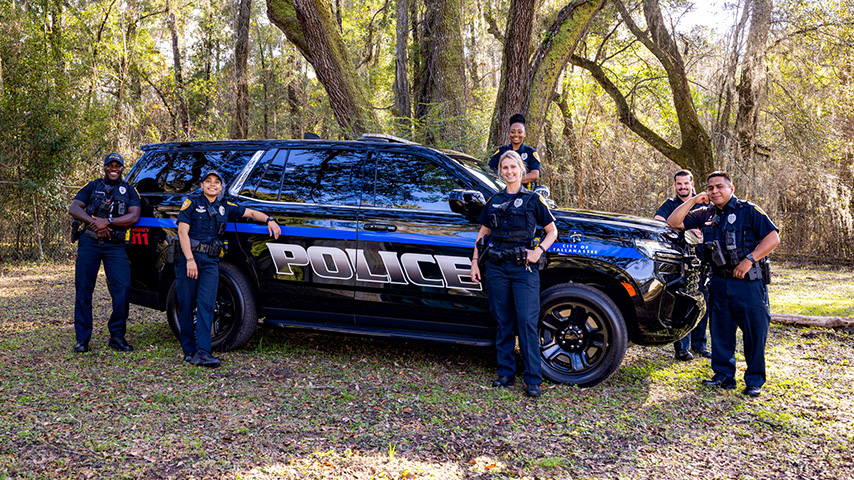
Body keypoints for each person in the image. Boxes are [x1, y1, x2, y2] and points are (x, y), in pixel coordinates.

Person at [667, 172, 780, 398]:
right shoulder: (705, 214)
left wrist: (749, 260)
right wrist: (693, 199)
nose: (714, 191)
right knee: (720, 331)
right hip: (718, 281)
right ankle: (723, 376)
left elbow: (773, 238)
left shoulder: (749, 211)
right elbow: (673, 222)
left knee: (754, 333)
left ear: (731, 188)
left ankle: (754, 380)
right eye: (710, 188)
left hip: (748, 283)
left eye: (719, 186)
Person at [471, 150, 558, 398]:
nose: (509, 172)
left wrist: (538, 250)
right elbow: (482, 234)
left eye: (513, 167)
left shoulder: (533, 200)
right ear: (500, 172)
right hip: (497, 268)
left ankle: (533, 379)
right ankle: (505, 374)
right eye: (505, 168)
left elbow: (553, 232)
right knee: (503, 321)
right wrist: (475, 262)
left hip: (524, 270)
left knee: (527, 322)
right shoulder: (494, 200)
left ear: (521, 169)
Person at [175, 170, 281, 367]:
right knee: (187, 304)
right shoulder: (191, 203)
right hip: (189, 259)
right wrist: (189, 259)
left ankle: (203, 352)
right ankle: (189, 351)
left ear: (221, 187)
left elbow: (249, 212)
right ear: (202, 185)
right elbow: (182, 232)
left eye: (216, 182)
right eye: (208, 182)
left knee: (207, 305)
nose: (212, 185)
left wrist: (269, 220)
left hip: (210, 261)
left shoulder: (225, 207)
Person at [68, 153, 141, 353]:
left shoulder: (129, 191)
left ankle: (117, 336)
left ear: (122, 169)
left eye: (118, 165)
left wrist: (108, 222)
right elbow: (74, 207)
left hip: (114, 245)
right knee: (84, 289)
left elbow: (134, 216)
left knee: (123, 288)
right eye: (110, 165)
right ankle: (82, 339)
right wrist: (94, 223)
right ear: (105, 167)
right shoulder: (93, 186)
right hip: (90, 242)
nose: (114, 168)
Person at [654, 170, 711, 361]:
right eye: (679, 184)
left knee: (702, 301)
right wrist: (685, 228)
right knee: (682, 304)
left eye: (686, 183)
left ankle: (699, 345)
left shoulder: (705, 203)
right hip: (680, 261)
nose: (683, 187)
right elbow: (660, 224)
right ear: (675, 185)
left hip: (703, 260)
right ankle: (681, 348)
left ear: (692, 183)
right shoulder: (669, 205)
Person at [488, 113, 541, 189]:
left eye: (519, 132)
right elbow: (490, 170)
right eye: (513, 132)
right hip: (503, 191)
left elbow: (534, 175)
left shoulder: (530, 152)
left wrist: (514, 180)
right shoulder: (502, 151)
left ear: (524, 134)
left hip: (524, 193)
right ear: (509, 133)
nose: (516, 135)